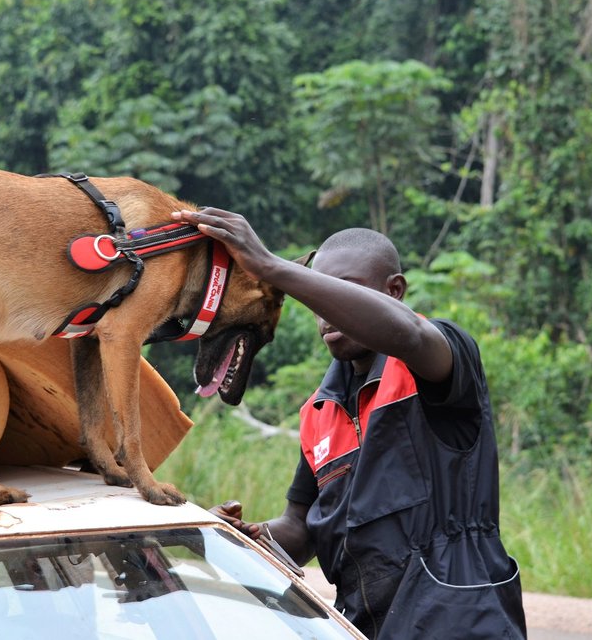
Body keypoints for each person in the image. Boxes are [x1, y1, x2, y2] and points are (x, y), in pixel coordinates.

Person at [171, 207, 527, 639]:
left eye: (341, 291)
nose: (325, 311)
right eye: (318, 297)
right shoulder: (319, 412)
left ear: (394, 290)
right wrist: (224, 537)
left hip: (459, 619)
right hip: (361, 626)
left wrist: (270, 266)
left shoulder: (440, 360)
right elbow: (299, 531)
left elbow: (409, 335)